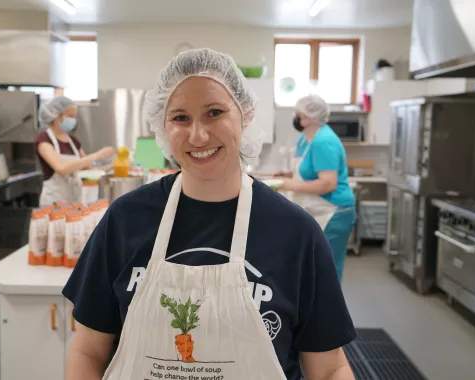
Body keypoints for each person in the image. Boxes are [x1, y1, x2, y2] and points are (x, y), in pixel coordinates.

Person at [62, 48, 356, 380]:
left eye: (214, 112)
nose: (198, 135)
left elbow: (330, 369)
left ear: (244, 114)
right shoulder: (125, 220)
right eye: (180, 118)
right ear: (162, 125)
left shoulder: (295, 233)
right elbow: (88, 351)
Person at [277, 94, 356, 282]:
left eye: (299, 114)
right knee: (310, 266)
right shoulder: (305, 139)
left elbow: (328, 183)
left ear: (311, 117)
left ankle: (329, 310)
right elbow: (308, 172)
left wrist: (291, 185)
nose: (295, 118)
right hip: (314, 209)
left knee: (327, 268)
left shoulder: (324, 141)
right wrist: (287, 175)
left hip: (332, 211)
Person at [35, 96, 116, 206]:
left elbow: (90, 171)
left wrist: (113, 166)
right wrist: (97, 155)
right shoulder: (44, 139)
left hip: (73, 201)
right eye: (70, 116)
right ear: (56, 116)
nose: (73, 120)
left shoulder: (73, 141)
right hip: (53, 201)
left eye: (74, 116)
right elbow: (62, 168)